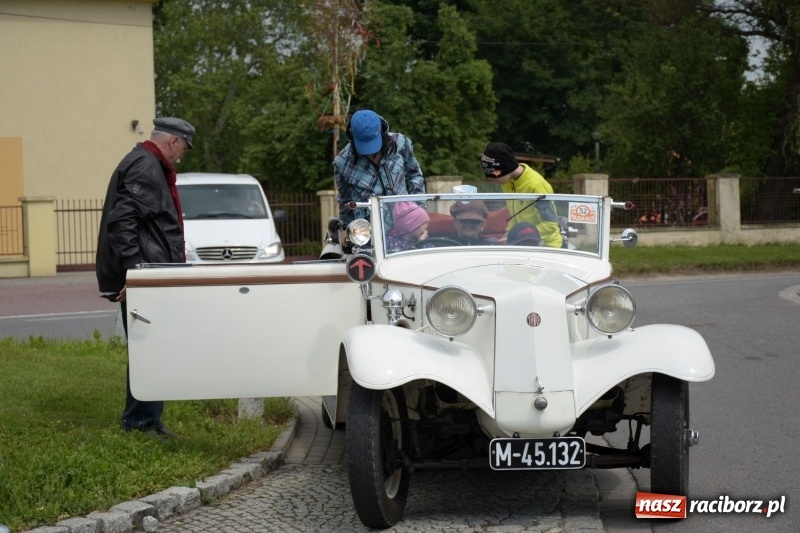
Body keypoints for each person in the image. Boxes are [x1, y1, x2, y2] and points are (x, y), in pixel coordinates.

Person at [96, 117, 194, 440]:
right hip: (145, 277)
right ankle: (139, 422)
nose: (182, 156)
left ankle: (148, 420)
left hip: (150, 275)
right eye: (184, 149)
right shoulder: (146, 167)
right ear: (173, 142)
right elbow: (121, 221)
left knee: (153, 347)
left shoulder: (145, 163)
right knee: (148, 348)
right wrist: (135, 272)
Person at [333, 110, 425, 228]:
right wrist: (346, 229)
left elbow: (415, 175)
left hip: (407, 224)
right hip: (370, 231)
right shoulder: (342, 162)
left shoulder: (401, 143)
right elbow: (345, 202)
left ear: (381, 129)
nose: (371, 153)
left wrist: (420, 208)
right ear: (351, 134)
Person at [479, 142, 563, 248]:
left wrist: (519, 237)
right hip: (522, 243)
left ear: (504, 169)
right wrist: (508, 234)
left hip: (546, 246)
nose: (491, 179)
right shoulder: (508, 182)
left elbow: (550, 224)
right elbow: (516, 217)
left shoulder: (536, 185)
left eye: (492, 176)